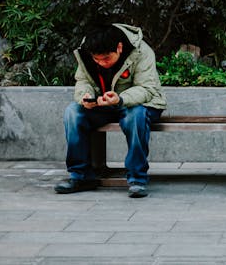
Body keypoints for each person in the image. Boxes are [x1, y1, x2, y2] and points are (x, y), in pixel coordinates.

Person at [55, 23, 166, 198]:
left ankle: (137, 178)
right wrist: (86, 97)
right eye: (97, 59)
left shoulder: (142, 51)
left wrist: (120, 99)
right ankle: (81, 176)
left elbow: (147, 89)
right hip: (103, 104)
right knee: (73, 112)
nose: (101, 63)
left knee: (135, 115)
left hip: (140, 104)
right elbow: (83, 81)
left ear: (119, 47)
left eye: (106, 58)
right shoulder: (87, 51)